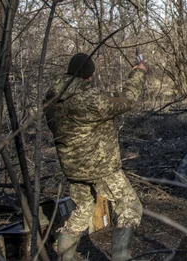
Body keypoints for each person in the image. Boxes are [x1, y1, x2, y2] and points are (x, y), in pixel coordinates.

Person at [44, 53, 147, 261]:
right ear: (88, 76)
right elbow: (126, 99)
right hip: (101, 167)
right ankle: (121, 258)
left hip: (73, 168)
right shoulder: (94, 99)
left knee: (83, 208)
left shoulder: (52, 99)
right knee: (130, 206)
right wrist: (137, 74)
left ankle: (64, 257)